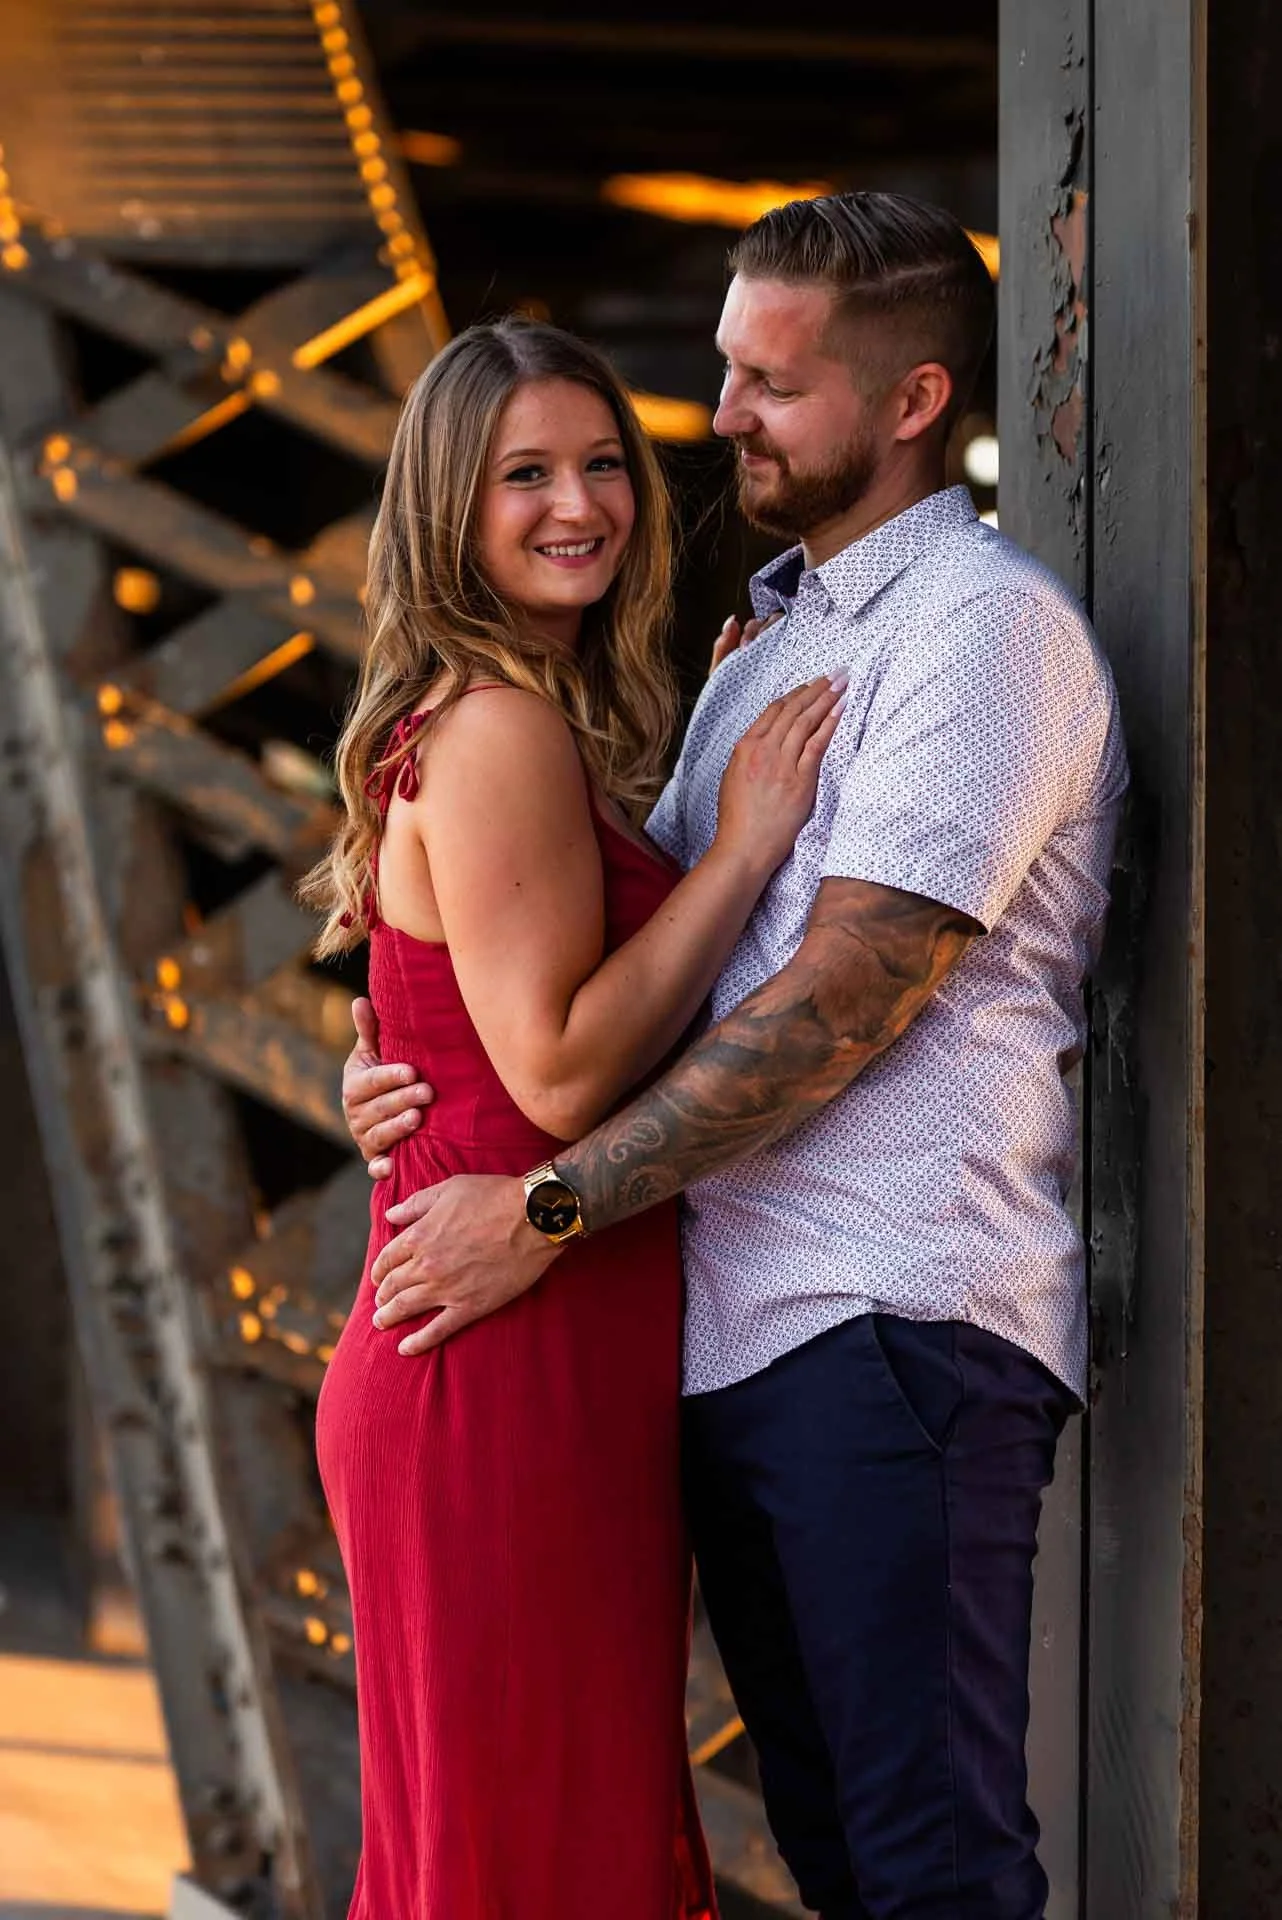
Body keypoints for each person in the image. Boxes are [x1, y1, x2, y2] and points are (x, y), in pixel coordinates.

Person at [345, 193, 1129, 1920]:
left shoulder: (974, 634)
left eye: (764, 381)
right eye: (718, 368)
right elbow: (568, 977)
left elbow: (844, 995)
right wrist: (396, 1047)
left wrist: (543, 1206)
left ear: (911, 401)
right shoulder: (763, 652)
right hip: (725, 1340)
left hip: (889, 1323)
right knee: (836, 1853)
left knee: (923, 1862)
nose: (712, 422)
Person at [303, 316, 843, 1920]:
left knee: (527, 1849)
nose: (577, 504)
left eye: (601, 463)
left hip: (531, 1345)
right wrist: (743, 846)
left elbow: (466, 1030)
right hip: (502, 1365)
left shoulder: (511, 718)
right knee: (531, 1864)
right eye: (522, 474)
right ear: (444, 510)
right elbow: (550, 1072)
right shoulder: (497, 728)